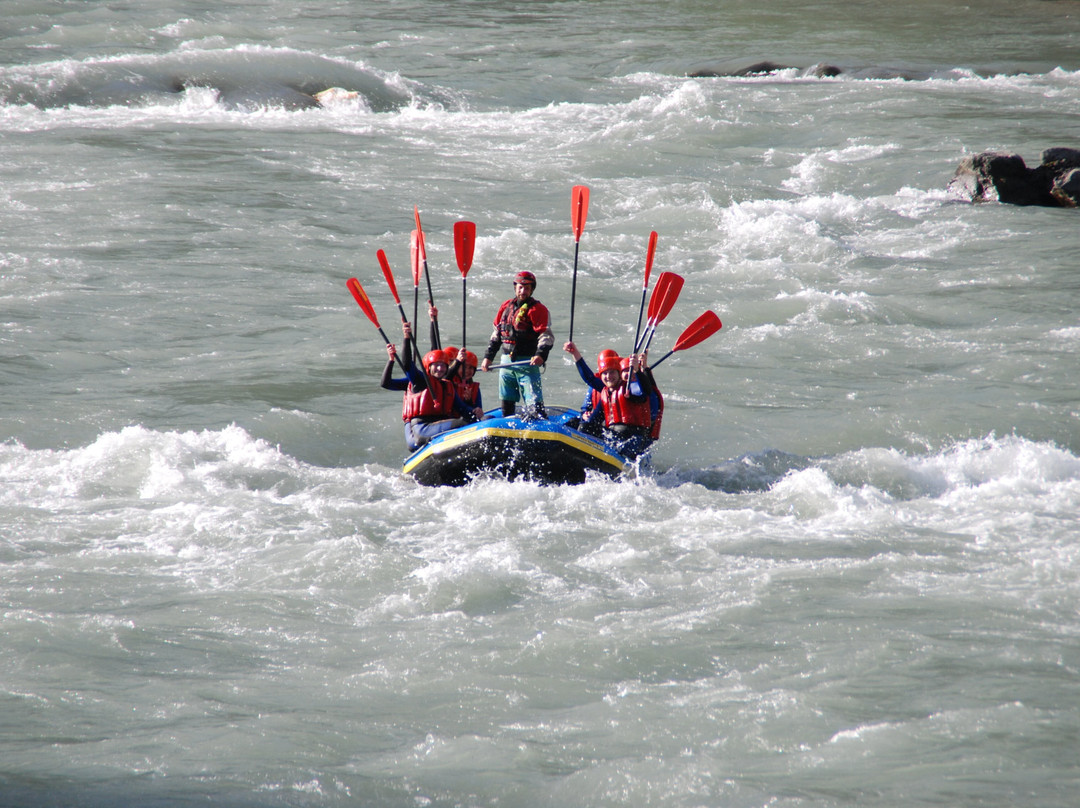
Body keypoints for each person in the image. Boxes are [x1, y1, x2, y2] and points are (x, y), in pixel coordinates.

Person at [381, 321, 484, 452]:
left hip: (437, 426)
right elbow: (407, 365)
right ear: (429, 367)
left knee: (472, 418)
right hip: (421, 429)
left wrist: (475, 412)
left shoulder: (447, 386)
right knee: (465, 423)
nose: (440, 369)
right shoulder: (420, 381)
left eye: (443, 365)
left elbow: (462, 408)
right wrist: (406, 338)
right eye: (436, 365)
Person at [563, 341, 655, 461]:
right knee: (579, 425)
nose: (608, 376)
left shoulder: (629, 389)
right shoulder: (605, 394)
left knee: (584, 428)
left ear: (619, 373)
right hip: (614, 436)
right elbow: (593, 420)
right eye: (604, 373)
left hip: (632, 439)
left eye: (612, 372)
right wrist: (575, 353)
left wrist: (638, 370)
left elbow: (646, 391)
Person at [480, 270, 553, 419]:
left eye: (527, 288)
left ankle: (540, 423)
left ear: (532, 290)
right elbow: (497, 334)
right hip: (506, 363)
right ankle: (507, 424)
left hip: (527, 363)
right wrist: (488, 357)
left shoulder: (537, 309)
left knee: (534, 404)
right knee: (507, 400)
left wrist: (540, 355)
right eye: (520, 287)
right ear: (515, 287)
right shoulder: (506, 306)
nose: (523, 291)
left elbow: (546, 336)